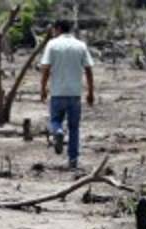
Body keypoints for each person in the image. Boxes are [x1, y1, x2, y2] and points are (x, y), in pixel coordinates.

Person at [39, 19, 94, 171]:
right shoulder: (80, 45)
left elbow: (46, 68)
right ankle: (73, 159)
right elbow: (89, 70)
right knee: (74, 127)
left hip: (57, 92)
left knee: (55, 120)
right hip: (75, 94)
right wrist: (90, 92)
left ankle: (57, 131)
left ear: (57, 29)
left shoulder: (52, 44)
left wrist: (43, 88)